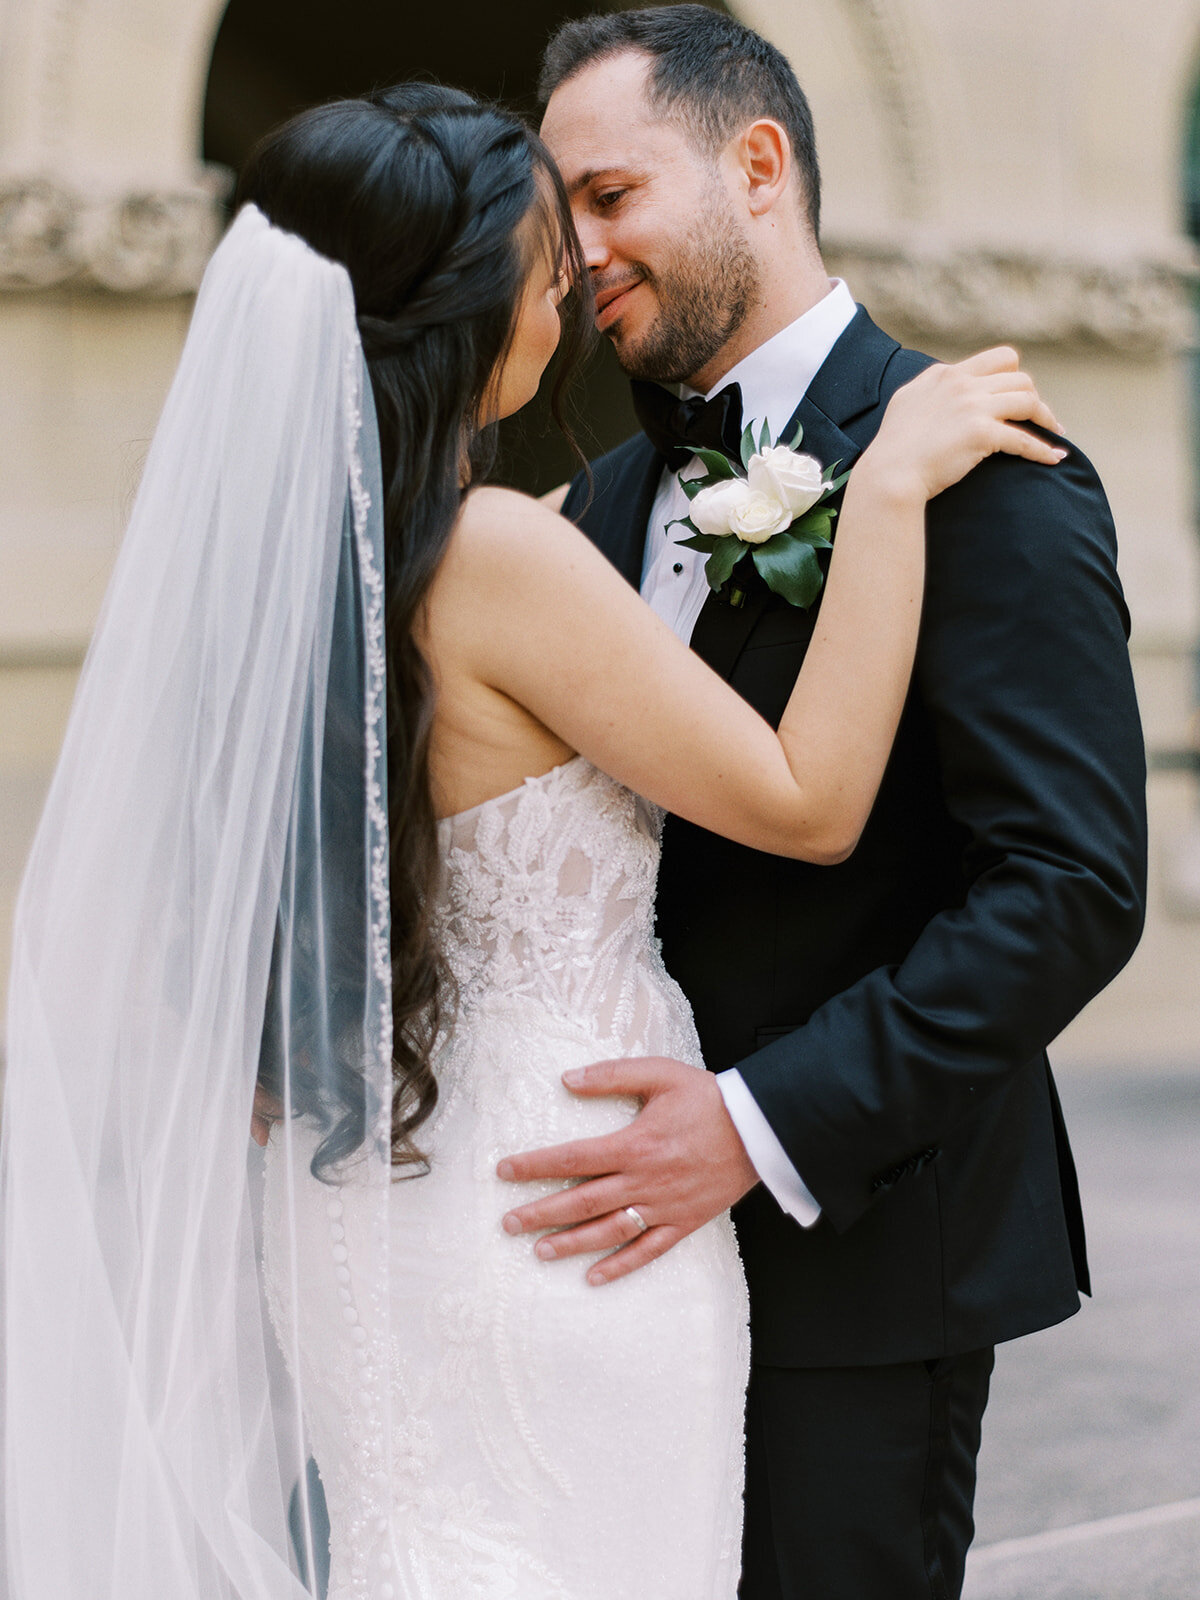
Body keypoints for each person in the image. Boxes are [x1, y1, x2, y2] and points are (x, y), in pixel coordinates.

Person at [1, 81, 1068, 1600]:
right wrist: (886, 483)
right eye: (540, 245)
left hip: (359, 1206)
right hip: (561, 1215)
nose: (568, 270)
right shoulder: (500, 555)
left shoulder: (287, 584)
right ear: (462, 305)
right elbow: (809, 800)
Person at [488, 10, 1149, 1600]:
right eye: (557, 214)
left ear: (758, 165)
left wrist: (754, 1125)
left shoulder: (990, 469)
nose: (578, 254)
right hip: (602, 1273)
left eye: (612, 196)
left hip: (854, 1270)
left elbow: (1068, 884)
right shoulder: (599, 500)